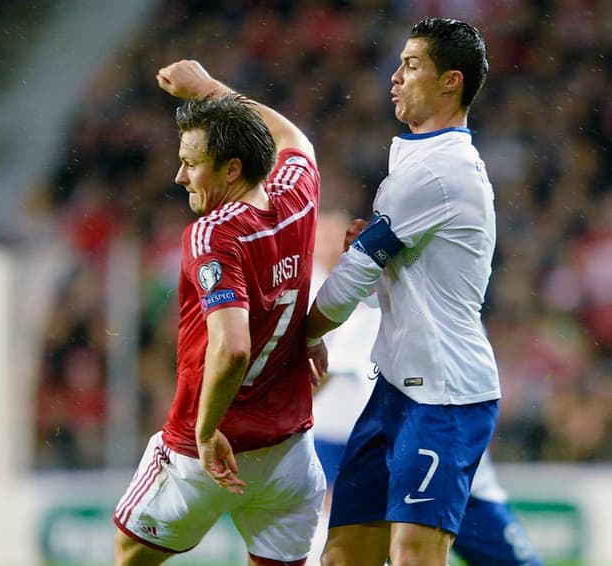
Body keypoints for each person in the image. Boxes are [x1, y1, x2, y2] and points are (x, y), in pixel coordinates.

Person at [113, 59, 326, 565]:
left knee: (128, 554)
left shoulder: (214, 234)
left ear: (231, 169)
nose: (179, 174)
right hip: (289, 454)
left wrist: (207, 433)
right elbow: (292, 136)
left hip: (205, 453)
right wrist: (211, 91)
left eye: (191, 162)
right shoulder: (297, 196)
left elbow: (232, 347)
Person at [306, 18, 502, 565]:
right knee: (344, 554)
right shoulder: (418, 164)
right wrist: (368, 256)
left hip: (445, 396)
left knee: (415, 555)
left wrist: (296, 340)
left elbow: (348, 286)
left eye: (411, 66)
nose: (394, 77)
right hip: (395, 392)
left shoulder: (439, 172)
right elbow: (380, 288)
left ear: (451, 82)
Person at [307, 212, 543, 566]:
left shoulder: (388, 300)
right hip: (365, 447)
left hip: (436, 446)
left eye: (335, 234)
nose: (328, 243)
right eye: (319, 235)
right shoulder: (326, 295)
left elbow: (324, 377)